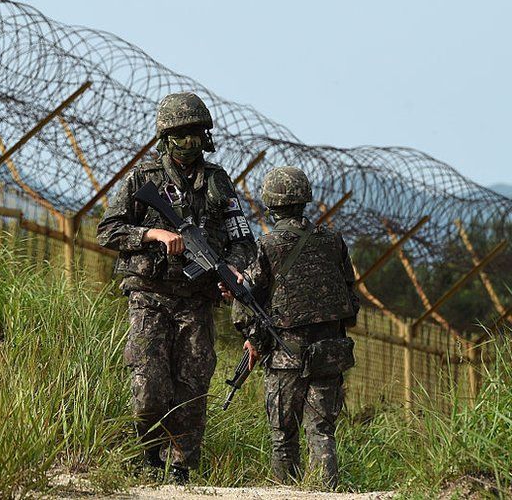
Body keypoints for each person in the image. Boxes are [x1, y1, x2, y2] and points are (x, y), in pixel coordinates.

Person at [97, 92, 256, 479]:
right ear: (165, 138)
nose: (189, 142)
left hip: (197, 302)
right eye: (180, 135)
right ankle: (148, 459)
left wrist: (231, 272)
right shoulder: (143, 178)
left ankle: (182, 471)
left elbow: (242, 241)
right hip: (150, 297)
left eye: (196, 134)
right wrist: (154, 234)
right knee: (149, 388)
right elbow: (108, 231)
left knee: (193, 387)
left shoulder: (218, 182)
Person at [221, 166, 359, 489]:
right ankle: (327, 494)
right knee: (322, 432)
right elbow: (350, 299)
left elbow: (245, 305)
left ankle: (284, 492)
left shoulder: (267, 246)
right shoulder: (333, 242)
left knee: (284, 437)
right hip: (329, 354)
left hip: (287, 359)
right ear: (304, 200)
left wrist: (253, 339)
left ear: (271, 203)